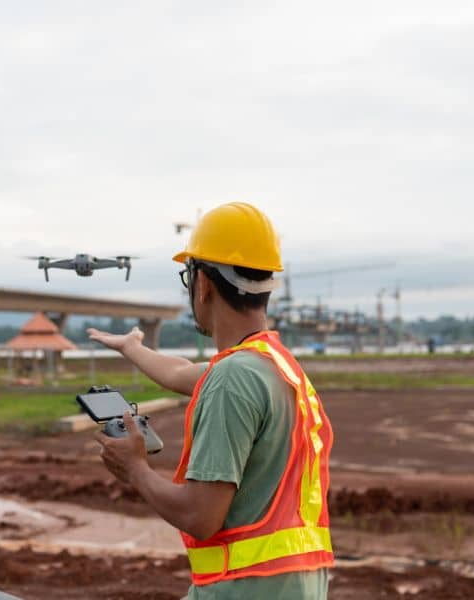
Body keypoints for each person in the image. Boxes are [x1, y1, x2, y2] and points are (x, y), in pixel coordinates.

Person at [88, 202, 333, 599]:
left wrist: (136, 469)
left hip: (246, 591)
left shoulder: (233, 378)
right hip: (295, 585)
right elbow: (181, 373)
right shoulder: (275, 366)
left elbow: (200, 516)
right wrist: (132, 347)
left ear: (202, 283)